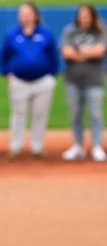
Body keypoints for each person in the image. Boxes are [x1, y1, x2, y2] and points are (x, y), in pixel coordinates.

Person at [0, 2, 61, 159]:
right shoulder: (13, 33)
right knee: (18, 114)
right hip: (19, 81)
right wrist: (7, 73)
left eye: (27, 12)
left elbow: (54, 56)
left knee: (40, 114)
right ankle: (15, 147)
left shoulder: (45, 33)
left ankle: (37, 147)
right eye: (21, 13)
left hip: (42, 81)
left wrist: (51, 75)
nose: (23, 16)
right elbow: (4, 55)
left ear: (35, 15)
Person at [60, 4, 107, 161]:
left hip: (94, 80)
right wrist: (88, 52)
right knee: (75, 115)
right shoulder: (70, 31)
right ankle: (78, 146)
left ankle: (97, 146)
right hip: (73, 80)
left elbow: (99, 51)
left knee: (95, 114)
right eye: (81, 14)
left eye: (87, 15)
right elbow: (66, 52)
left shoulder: (100, 31)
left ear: (93, 16)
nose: (84, 18)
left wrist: (78, 51)